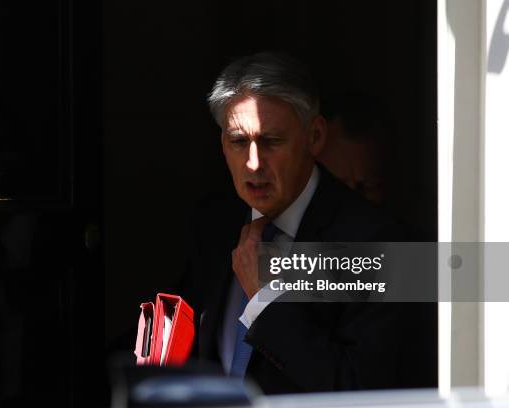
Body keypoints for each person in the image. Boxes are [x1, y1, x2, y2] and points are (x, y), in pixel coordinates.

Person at [180, 52, 436, 394]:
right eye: (239, 142)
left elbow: (362, 391)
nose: (253, 164)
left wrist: (265, 300)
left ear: (315, 137)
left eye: (271, 142)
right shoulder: (215, 221)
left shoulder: (380, 242)